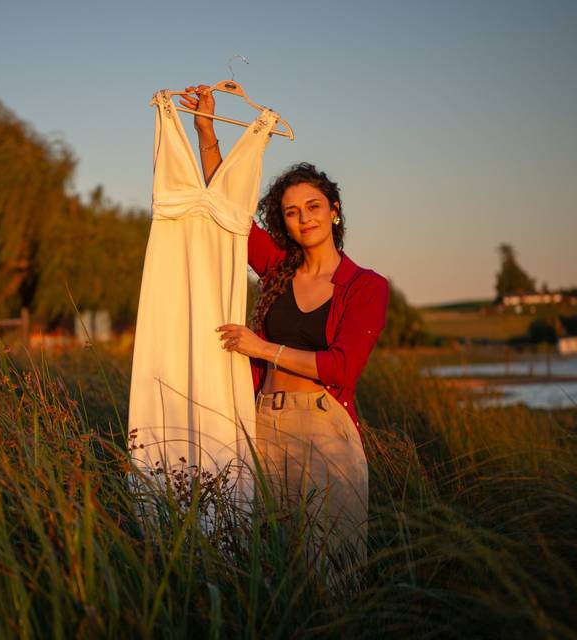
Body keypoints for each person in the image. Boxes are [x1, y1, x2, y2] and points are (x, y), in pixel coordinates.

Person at [179, 85, 390, 564]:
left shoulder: (366, 286)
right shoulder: (277, 269)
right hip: (262, 421)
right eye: (292, 212)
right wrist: (207, 131)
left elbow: (342, 368)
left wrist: (261, 348)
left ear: (334, 212)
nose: (304, 219)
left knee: (330, 564)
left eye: (314, 207)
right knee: (273, 561)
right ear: (285, 222)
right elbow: (231, 212)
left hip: (324, 426)